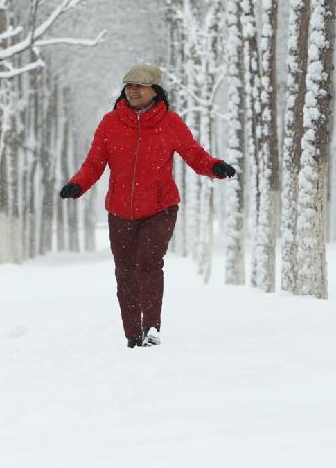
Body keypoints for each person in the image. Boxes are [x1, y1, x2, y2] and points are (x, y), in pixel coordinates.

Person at [59, 64, 236, 348]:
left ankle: (151, 326)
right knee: (125, 272)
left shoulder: (171, 123)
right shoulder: (110, 123)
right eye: (129, 85)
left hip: (160, 208)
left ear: (155, 90)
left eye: (139, 85)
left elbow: (194, 155)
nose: (133, 90)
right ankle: (133, 335)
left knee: (148, 264)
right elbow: (94, 163)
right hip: (119, 211)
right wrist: (78, 184)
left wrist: (215, 167)